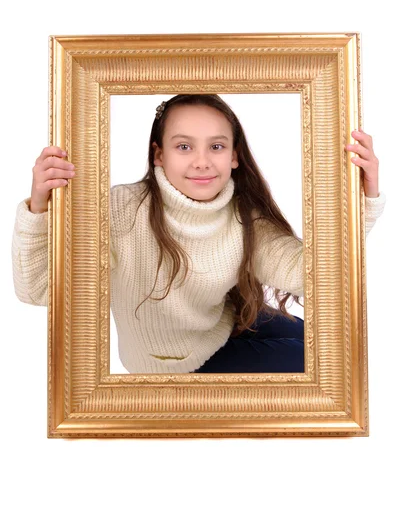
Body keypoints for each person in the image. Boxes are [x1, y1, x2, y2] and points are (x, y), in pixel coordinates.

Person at [11, 94, 385, 374]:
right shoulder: (120, 210)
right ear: (159, 155)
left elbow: (316, 276)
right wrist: (40, 208)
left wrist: (359, 201)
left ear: (234, 156)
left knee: (336, 345)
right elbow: (38, 290)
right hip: (174, 366)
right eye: (184, 146)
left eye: (217, 146)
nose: (202, 161)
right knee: (312, 360)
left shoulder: (242, 216)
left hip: (219, 326)